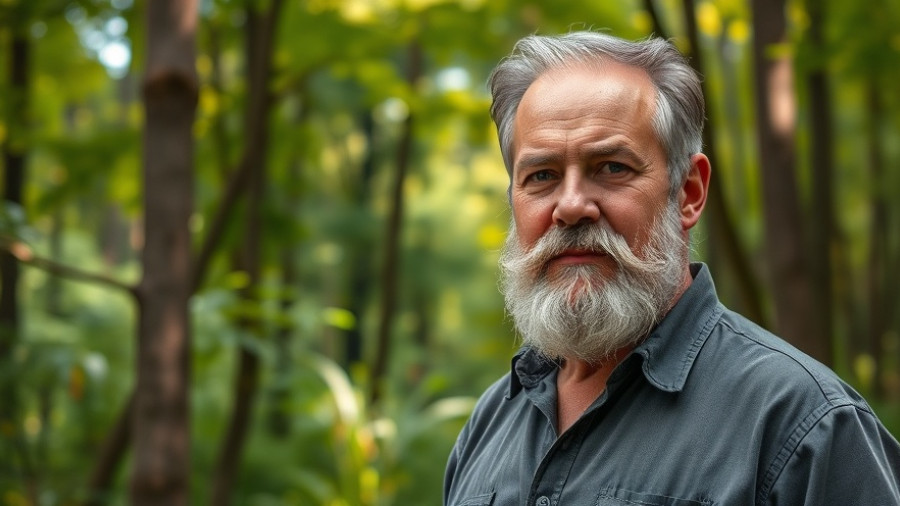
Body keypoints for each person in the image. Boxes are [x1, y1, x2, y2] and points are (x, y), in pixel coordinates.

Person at [443, 31, 900, 506]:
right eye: (542, 176)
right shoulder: (490, 424)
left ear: (689, 192)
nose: (572, 206)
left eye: (612, 167)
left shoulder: (803, 423)